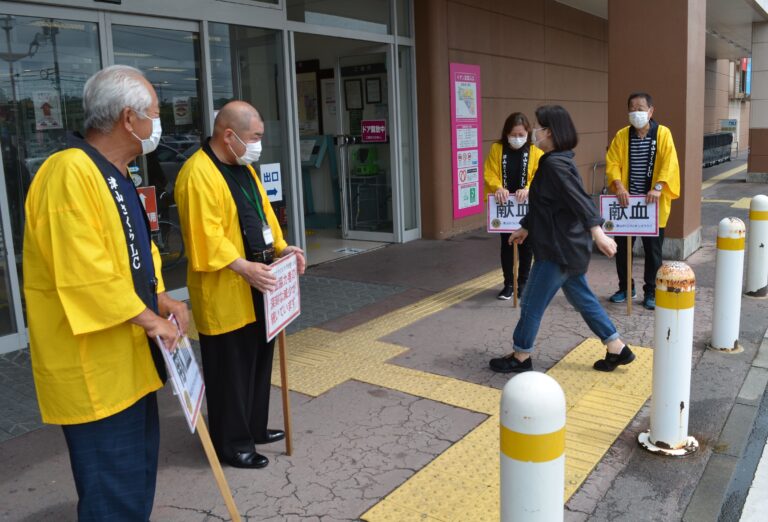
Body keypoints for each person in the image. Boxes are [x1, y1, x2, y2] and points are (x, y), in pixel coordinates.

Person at [23, 65, 189, 521]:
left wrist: (162, 300)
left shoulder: (118, 173)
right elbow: (84, 272)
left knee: (133, 483)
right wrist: (150, 319)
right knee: (111, 493)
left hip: (128, 363)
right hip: (94, 370)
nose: (159, 125)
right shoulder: (69, 171)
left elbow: (136, 255)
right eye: (154, 114)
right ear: (129, 119)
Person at [175, 101, 306, 469]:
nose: (258, 145)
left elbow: (263, 214)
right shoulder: (197, 173)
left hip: (259, 283)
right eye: (255, 137)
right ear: (229, 135)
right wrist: (242, 267)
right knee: (230, 369)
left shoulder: (243, 167)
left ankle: (254, 426)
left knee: (258, 360)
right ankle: (231, 444)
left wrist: (283, 248)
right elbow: (206, 237)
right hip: (227, 288)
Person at [488, 104, 634, 374]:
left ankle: (521, 356)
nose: (535, 133)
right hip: (568, 248)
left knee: (531, 302)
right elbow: (547, 205)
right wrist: (525, 227)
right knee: (583, 299)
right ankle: (617, 348)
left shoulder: (555, 165)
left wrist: (598, 232)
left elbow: (579, 199)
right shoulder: (558, 160)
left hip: (557, 251)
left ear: (551, 132)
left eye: (539, 128)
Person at [606, 92, 680, 310]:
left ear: (651, 111)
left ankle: (651, 291)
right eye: (632, 108)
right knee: (622, 248)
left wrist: (658, 187)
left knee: (653, 251)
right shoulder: (622, 136)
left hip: (651, 205)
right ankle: (625, 288)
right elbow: (612, 163)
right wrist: (618, 185)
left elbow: (670, 163)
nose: (636, 112)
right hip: (626, 204)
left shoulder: (663, 134)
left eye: (641, 108)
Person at [483, 112, 543, 300]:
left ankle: (523, 282)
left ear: (528, 133)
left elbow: (539, 176)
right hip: (505, 207)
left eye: (521, 135)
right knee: (507, 245)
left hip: (527, 206)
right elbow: (490, 172)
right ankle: (509, 283)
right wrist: (498, 187)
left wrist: (527, 188)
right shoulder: (497, 149)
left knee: (527, 246)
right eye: (513, 135)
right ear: (506, 133)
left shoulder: (536, 152)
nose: (517, 139)